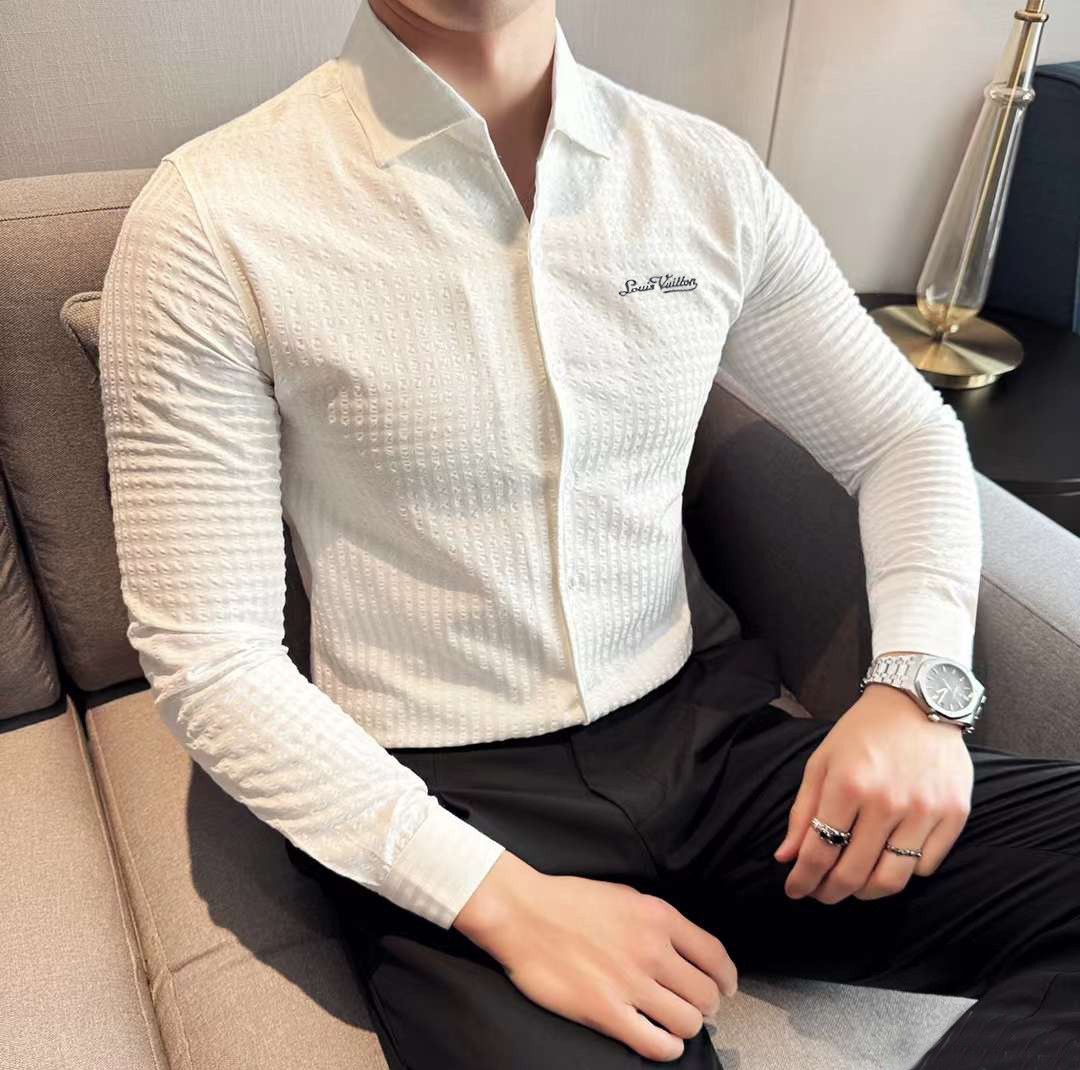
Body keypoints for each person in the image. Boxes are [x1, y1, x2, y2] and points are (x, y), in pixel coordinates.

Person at [97, 0, 1080, 1066]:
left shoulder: (701, 175)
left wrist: (916, 685)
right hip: (445, 801)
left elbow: (901, 434)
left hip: (710, 745)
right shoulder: (213, 215)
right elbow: (211, 652)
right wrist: (501, 901)